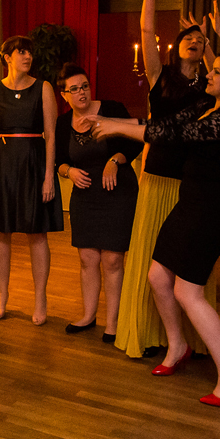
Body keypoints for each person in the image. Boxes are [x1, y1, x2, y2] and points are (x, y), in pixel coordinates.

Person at [91, 49, 220, 406]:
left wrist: (117, 127)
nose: (209, 74)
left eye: (217, 71)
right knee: (157, 277)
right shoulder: (206, 104)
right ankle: (178, 345)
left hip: (214, 211)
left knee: (187, 292)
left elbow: (172, 135)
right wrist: (119, 122)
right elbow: (168, 123)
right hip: (190, 204)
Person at [114, 0, 218, 359]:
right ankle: (152, 334)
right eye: (188, 37)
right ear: (177, 46)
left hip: (193, 184)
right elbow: (146, 28)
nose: (194, 41)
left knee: (186, 266)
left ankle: (191, 337)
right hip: (157, 178)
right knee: (151, 262)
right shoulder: (161, 76)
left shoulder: (212, 87)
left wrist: (213, 41)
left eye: (200, 40)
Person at [0, 35, 62, 324]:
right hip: (1, 165)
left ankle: (40, 298)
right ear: (7, 58)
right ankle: (2, 293)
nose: (27, 57)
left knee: (37, 232)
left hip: (34, 164)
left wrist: (49, 176)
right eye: (21, 52)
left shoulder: (43, 88)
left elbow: (51, 136)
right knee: (0, 232)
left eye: (29, 52)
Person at [54, 65, 141, 342]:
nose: (82, 93)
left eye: (85, 86)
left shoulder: (112, 108)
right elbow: (58, 160)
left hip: (117, 191)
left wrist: (115, 160)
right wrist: (69, 171)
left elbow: (136, 142)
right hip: (85, 197)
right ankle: (88, 315)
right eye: (74, 89)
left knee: (113, 259)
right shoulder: (62, 123)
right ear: (64, 95)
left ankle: (113, 322)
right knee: (87, 258)